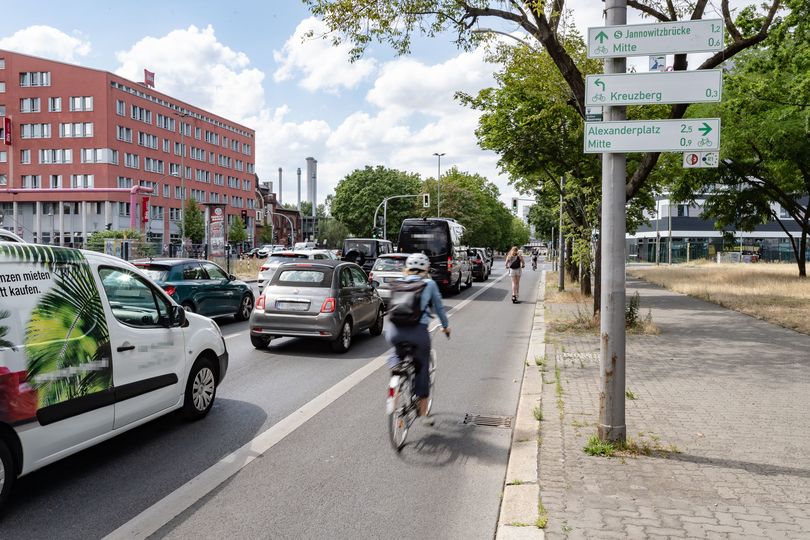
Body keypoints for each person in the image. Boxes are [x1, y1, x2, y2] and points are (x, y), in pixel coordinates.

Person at [386, 253, 450, 424]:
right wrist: (445, 326)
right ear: (427, 268)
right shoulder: (429, 283)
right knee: (422, 367)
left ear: (407, 268)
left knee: (397, 353)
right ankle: (423, 414)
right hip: (417, 333)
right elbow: (440, 309)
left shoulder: (398, 281)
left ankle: (395, 372)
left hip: (394, 331)